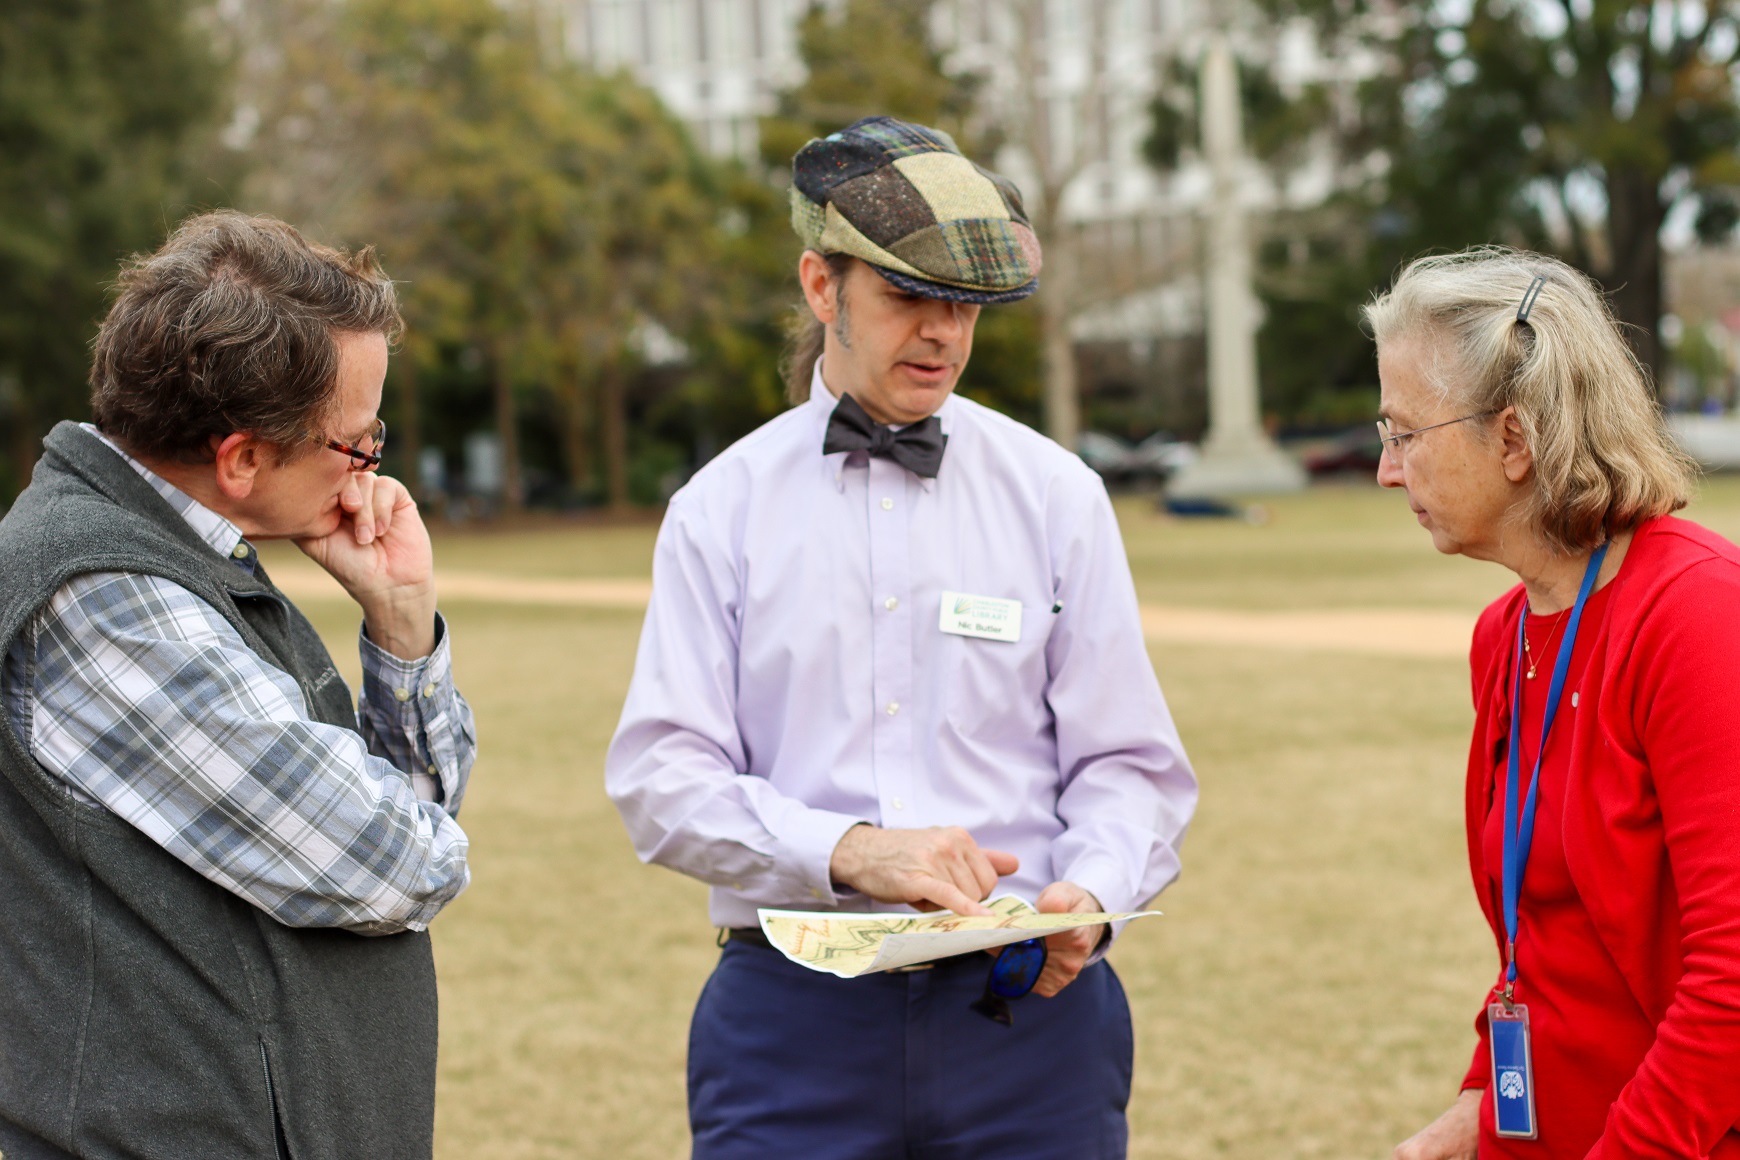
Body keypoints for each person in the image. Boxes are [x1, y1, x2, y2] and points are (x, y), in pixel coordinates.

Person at [606, 115, 1197, 1159]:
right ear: (821, 287)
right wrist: (851, 851)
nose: (942, 334)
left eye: (964, 306)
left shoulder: (1058, 495)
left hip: (1034, 1027)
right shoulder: (718, 508)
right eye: (908, 297)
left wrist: (1093, 892)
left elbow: (1130, 764)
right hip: (791, 1026)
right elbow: (663, 779)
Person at [0, 211, 475, 1160]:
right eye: (359, 441)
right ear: (244, 459)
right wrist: (423, 835)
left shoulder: (171, 558)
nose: (372, 467)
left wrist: (401, 620)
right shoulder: (112, 601)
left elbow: (411, 826)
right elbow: (396, 864)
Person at [1371, 248, 1740, 1158]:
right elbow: (1545, 947)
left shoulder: (1696, 614)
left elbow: (1732, 980)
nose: (1386, 470)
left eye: (1404, 432)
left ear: (1514, 438)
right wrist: (1474, 1112)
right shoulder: (1505, 634)